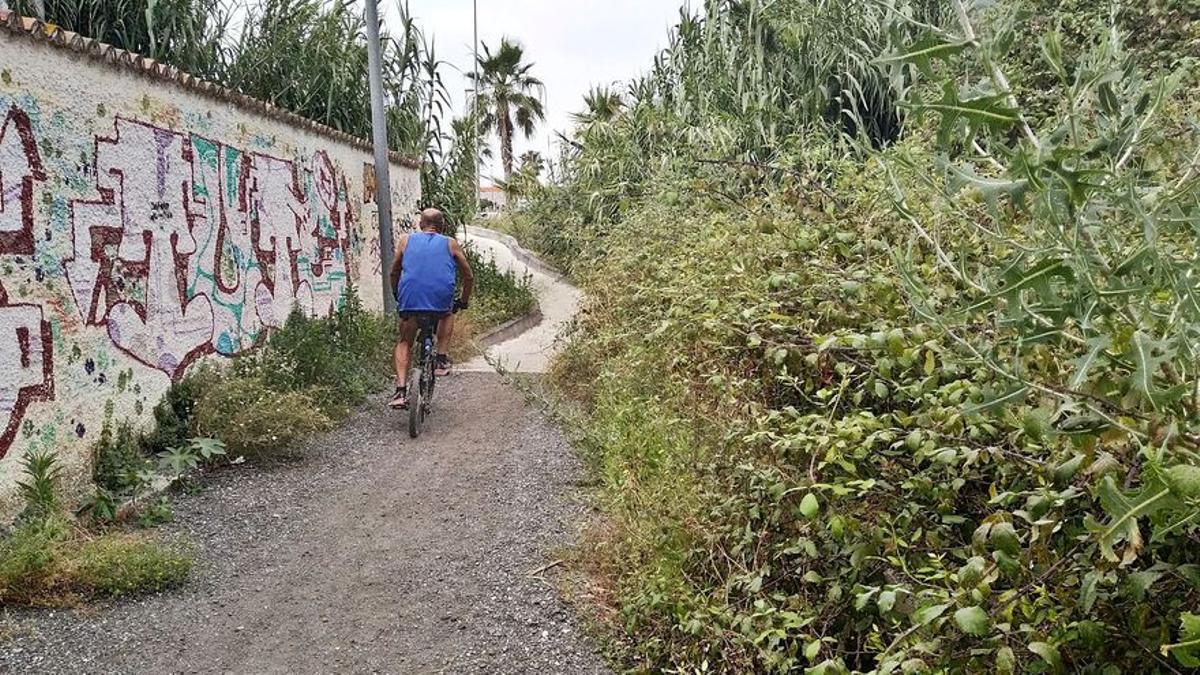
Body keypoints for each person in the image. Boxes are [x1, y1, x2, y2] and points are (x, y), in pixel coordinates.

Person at [388, 208, 474, 409]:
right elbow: (468, 275)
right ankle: (441, 359)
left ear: (421, 224)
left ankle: (400, 391)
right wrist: (463, 300)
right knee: (447, 313)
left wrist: (397, 295)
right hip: (439, 298)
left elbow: (394, 272)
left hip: (410, 297)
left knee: (404, 341)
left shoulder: (405, 240)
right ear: (442, 226)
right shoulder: (450, 243)